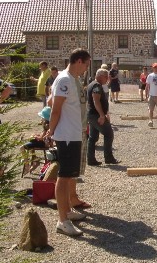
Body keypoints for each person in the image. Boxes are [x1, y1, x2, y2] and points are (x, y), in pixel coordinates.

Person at [45, 48, 91, 236]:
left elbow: (50, 100)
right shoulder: (64, 79)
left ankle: (67, 212)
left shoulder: (72, 79)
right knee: (63, 177)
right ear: (78, 61)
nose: (86, 68)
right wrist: (51, 130)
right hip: (66, 135)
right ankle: (62, 221)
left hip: (74, 133)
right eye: (86, 64)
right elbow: (54, 108)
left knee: (70, 175)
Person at [86, 68, 121, 165]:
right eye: (106, 77)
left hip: (92, 114)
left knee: (93, 138)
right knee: (109, 134)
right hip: (96, 115)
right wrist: (102, 115)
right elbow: (96, 101)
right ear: (101, 76)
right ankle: (108, 158)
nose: (107, 79)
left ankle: (91, 159)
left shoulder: (92, 84)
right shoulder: (96, 86)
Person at [20, 106, 51, 176]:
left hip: (43, 143)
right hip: (43, 142)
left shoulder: (47, 125)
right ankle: (35, 159)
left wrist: (35, 136)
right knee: (31, 142)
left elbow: (42, 138)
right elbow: (43, 135)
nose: (41, 118)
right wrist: (37, 135)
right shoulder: (48, 125)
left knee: (22, 147)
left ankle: (27, 164)